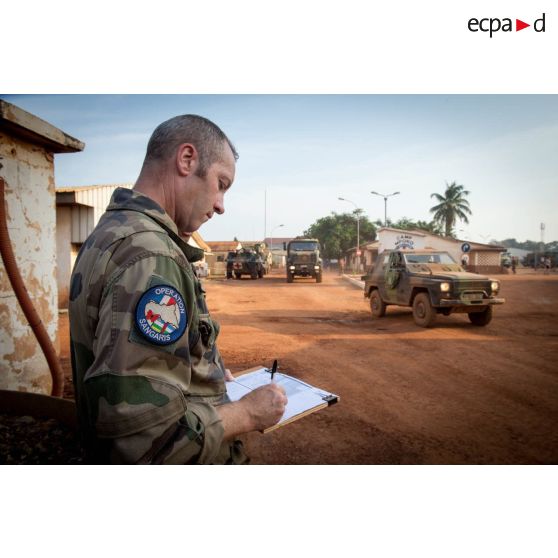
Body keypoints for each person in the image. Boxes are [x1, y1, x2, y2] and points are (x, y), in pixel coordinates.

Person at [69, 115, 287, 464]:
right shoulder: (151, 256)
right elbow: (143, 438)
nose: (220, 204)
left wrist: (207, 378)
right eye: (221, 183)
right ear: (187, 160)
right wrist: (247, 413)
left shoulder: (112, 233)